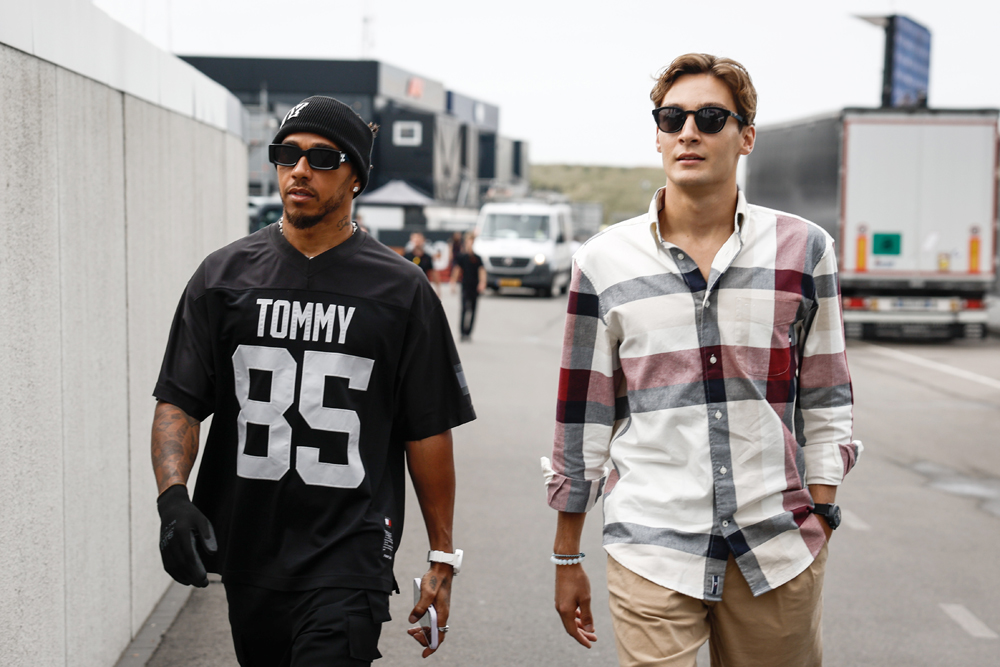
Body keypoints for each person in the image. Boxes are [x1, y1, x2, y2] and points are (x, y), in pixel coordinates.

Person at [542, 53, 862, 667]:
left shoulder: (803, 249)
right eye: (672, 117)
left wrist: (820, 508)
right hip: (651, 545)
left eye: (710, 117)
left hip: (776, 547)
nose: (688, 131)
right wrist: (566, 556)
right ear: (659, 132)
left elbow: (827, 397)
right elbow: (583, 423)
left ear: (745, 136)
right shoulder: (604, 261)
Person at [151, 95, 474, 666]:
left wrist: (442, 554)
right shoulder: (223, 277)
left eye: (322, 158)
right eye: (287, 154)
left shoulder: (402, 291)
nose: (299, 170)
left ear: (356, 178)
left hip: (349, 554)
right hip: (252, 548)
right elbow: (180, 399)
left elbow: (428, 430)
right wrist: (173, 498)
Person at [449, 233, 486, 342]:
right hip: (465, 285)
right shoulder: (462, 257)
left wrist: (482, 282)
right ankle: (462, 332)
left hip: (475, 286)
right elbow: (457, 270)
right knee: (464, 308)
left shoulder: (477, 258)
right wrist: (453, 282)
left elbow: (482, 270)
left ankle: (469, 332)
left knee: (473, 309)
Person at [404, 231, 442, 297]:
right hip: (409, 289)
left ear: (423, 240)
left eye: (419, 239)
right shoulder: (406, 256)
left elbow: (433, 273)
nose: (417, 241)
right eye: (415, 239)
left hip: (423, 289)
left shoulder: (427, 257)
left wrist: (438, 290)